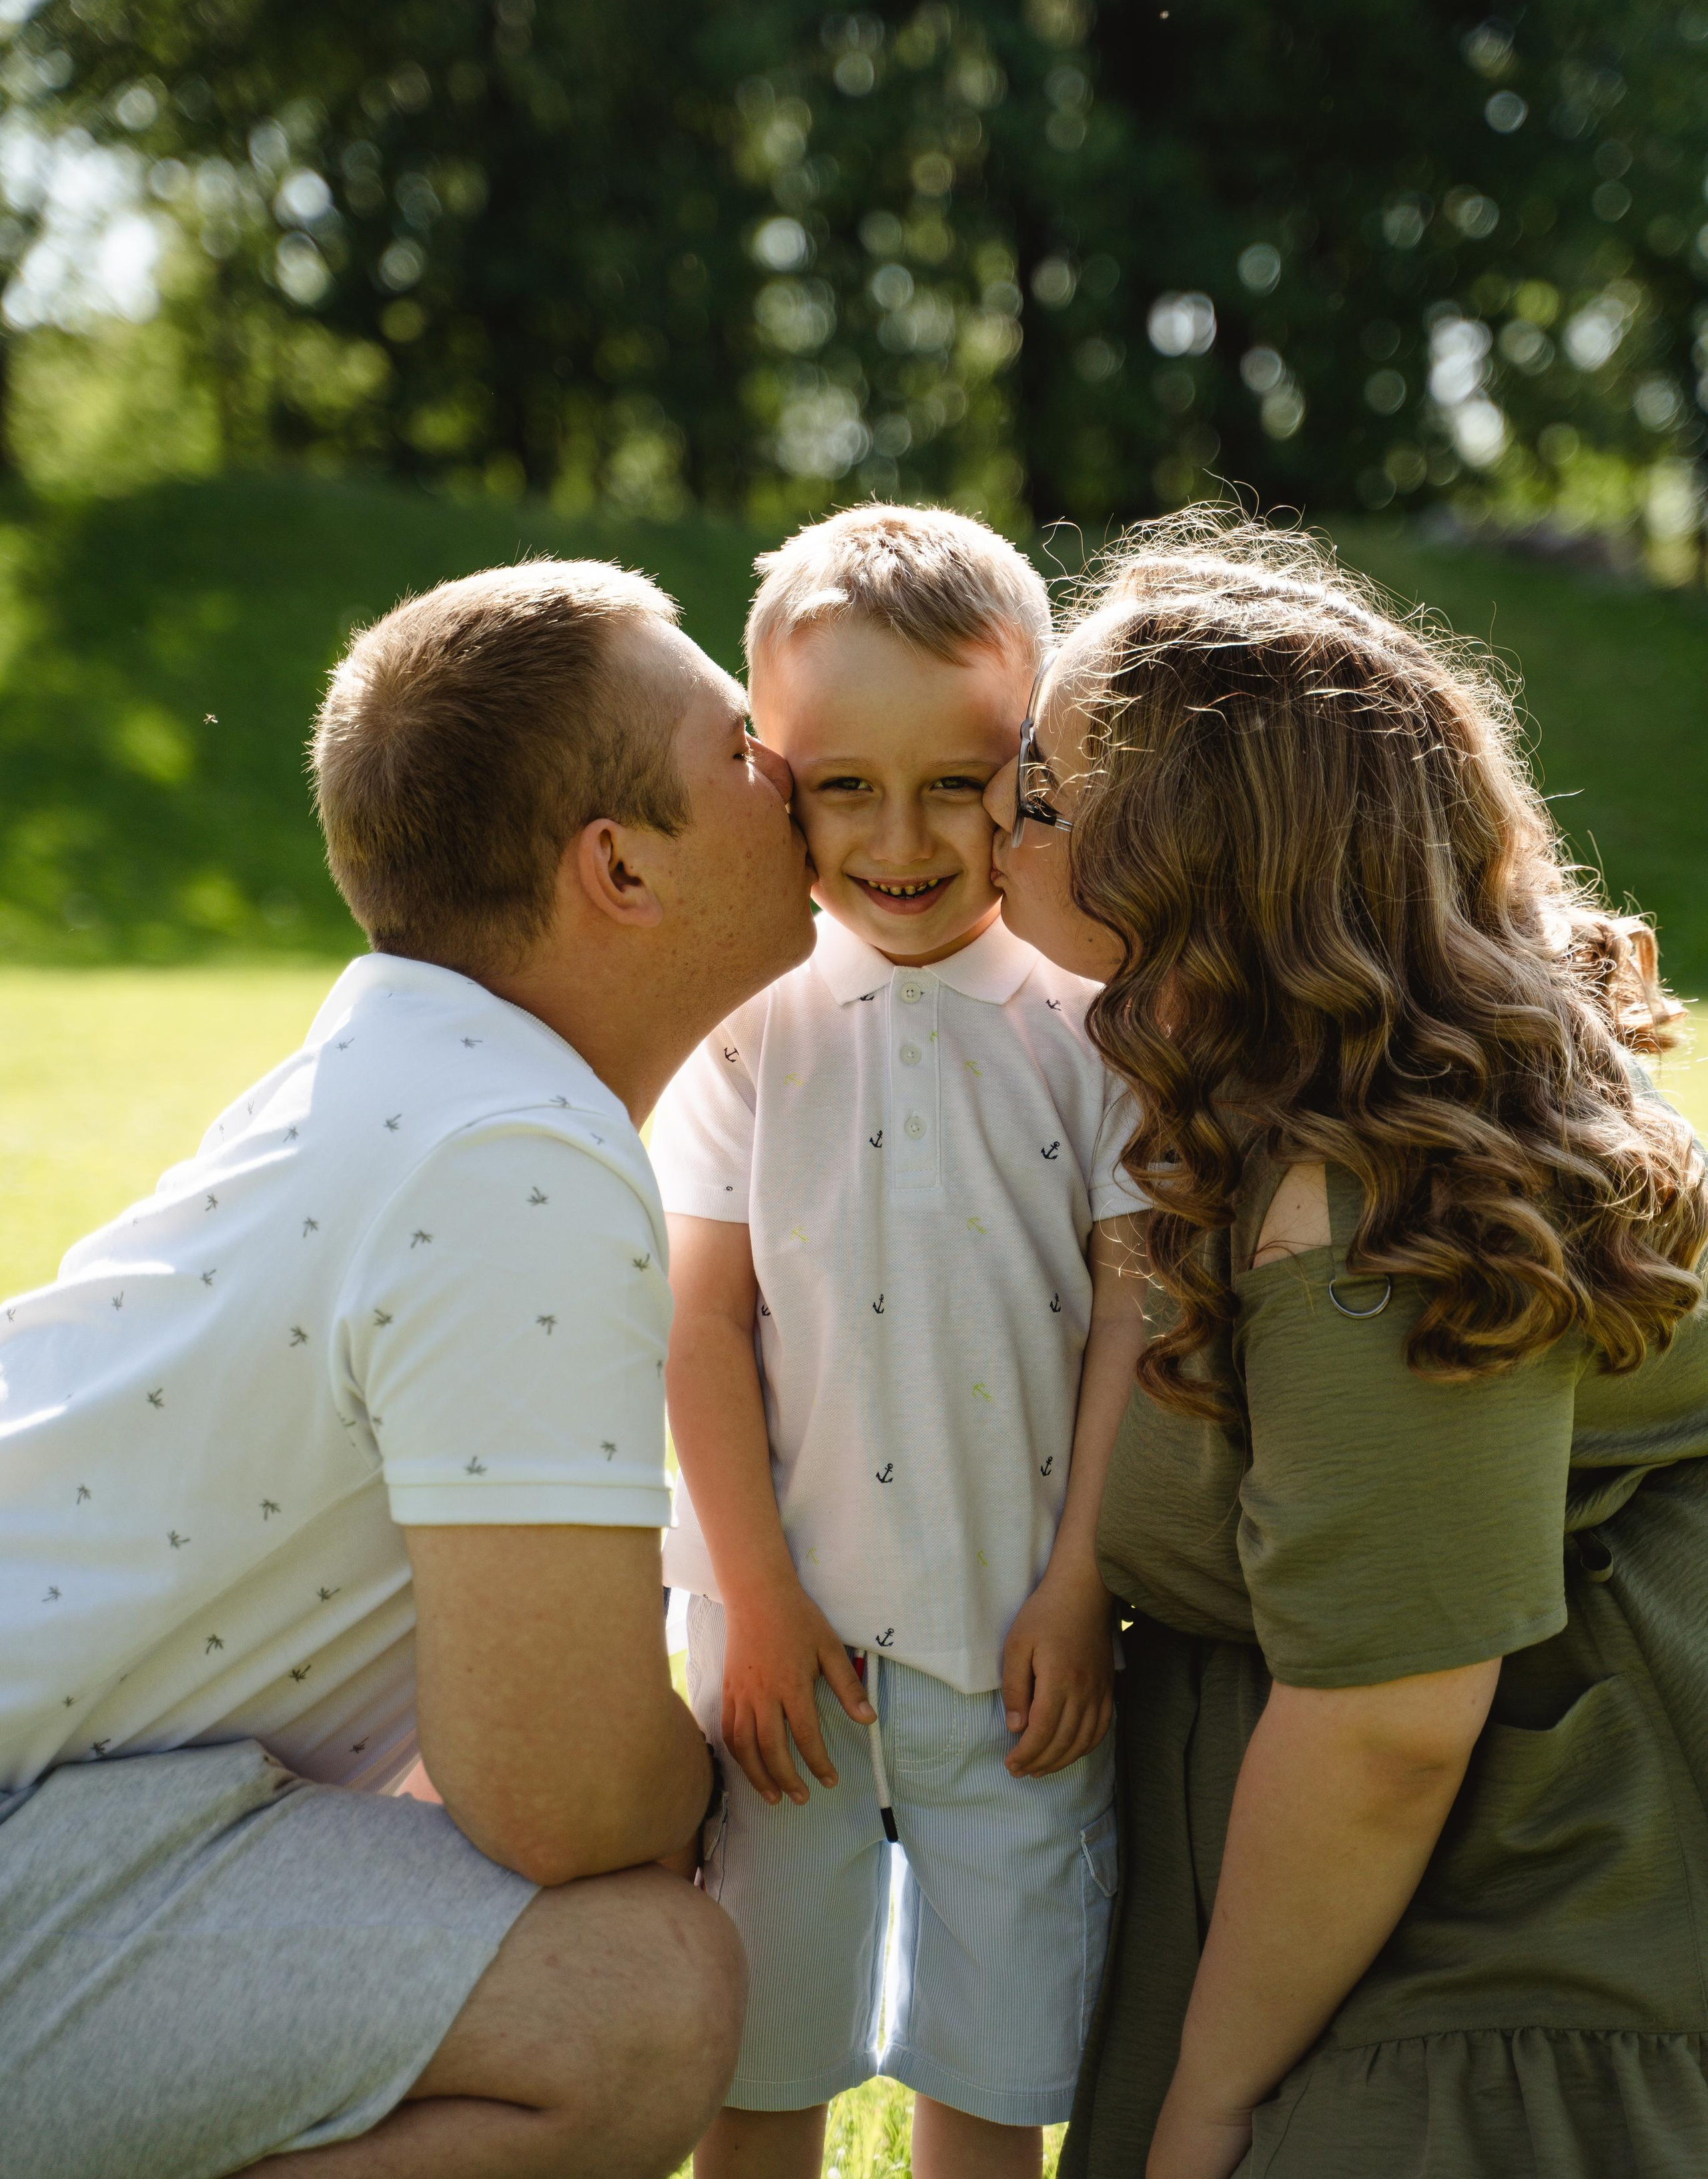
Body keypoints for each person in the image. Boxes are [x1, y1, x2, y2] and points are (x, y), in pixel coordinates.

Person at [0, 558, 816, 2179]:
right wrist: (743, 1780)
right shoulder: (511, 1149)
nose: (782, 773)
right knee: (637, 1998)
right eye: (734, 747)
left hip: (75, 1807)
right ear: (620, 870)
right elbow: (564, 1797)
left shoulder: (415, 1069)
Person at [983, 512, 1708, 2179]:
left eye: (1037, 786)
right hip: (1382, 1893)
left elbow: (1382, 1732)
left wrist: (1209, 2103)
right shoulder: (1306, 1088)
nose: (991, 813)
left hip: (1513, 1938)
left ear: (1190, 856)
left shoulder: (1371, 1194)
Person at [654, 506, 1147, 2179]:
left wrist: (1082, 1583)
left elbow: (1130, 1326)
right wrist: (756, 1601)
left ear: (1034, 764)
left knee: (996, 2068)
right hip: (783, 1635)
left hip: (1016, 1628)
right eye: (841, 786)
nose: (904, 836)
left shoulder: (1092, 1025)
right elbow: (700, 1323)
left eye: (959, 780)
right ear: (764, 772)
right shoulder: (739, 1024)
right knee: (763, 2052)